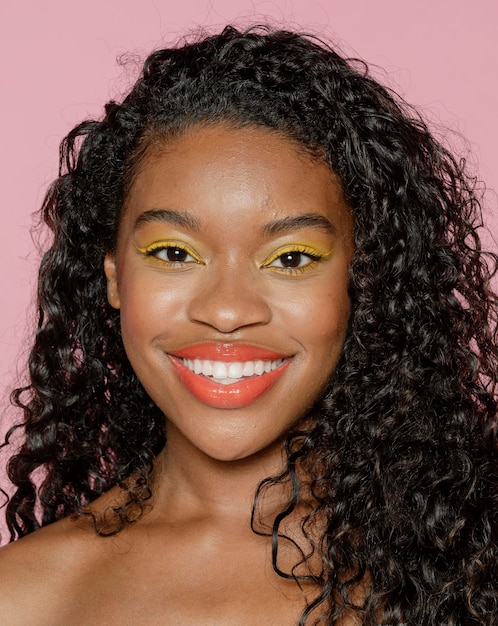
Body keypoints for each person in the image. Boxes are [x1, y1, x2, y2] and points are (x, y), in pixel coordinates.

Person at [0, 25, 497, 625]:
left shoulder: (473, 565)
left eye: (291, 259)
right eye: (173, 253)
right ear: (112, 277)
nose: (229, 311)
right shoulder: (23, 598)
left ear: (362, 280)